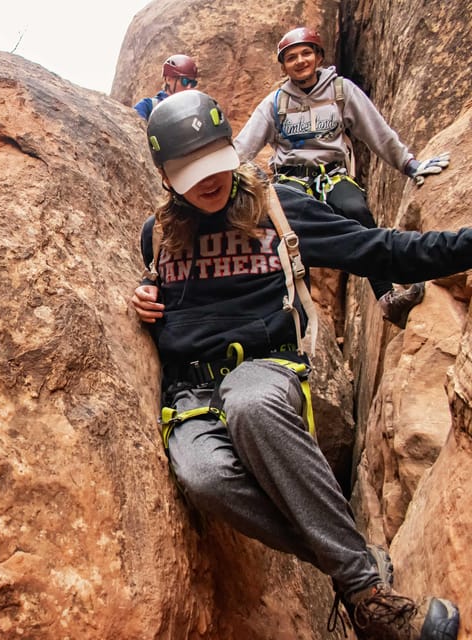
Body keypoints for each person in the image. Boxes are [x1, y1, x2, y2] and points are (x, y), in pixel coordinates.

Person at [131, 89, 465, 639]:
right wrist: (146, 301)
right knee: (203, 476)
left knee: (250, 403)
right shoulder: (159, 235)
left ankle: (372, 602)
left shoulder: (276, 208)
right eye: (190, 172)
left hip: (266, 370)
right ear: (166, 178)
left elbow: (382, 250)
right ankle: (354, 567)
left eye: (216, 160)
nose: (209, 181)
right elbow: (170, 303)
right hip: (191, 394)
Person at [233, 26, 451, 329]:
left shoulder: (340, 90)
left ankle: (388, 299)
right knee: (284, 235)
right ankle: (291, 316)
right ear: (283, 66)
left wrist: (409, 165)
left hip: (332, 174)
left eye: (306, 53)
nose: (300, 61)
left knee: (356, 212)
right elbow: (243, 146)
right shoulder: (275, 103)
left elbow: (376, 131)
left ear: (319, 56)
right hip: (291, 179)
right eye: (291, 57)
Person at [133, 54, 199, 120]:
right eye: (185, 81)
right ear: (168, 79)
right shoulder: (147, 106)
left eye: (193, 83)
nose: (189, 87)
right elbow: (134, 123)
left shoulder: (194, 111)